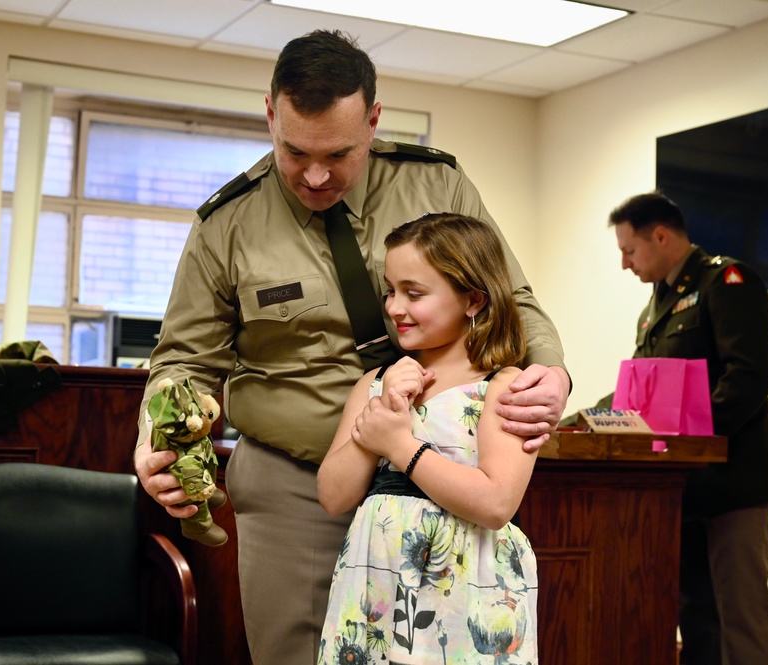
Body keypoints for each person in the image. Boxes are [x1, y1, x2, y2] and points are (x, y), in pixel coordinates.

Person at [134, 29, 570, 664]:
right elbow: (184, 363)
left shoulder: (436, 185)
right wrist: (158, 437)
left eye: (338, 154)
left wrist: (550, 372)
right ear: (269, 115)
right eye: (293, 152)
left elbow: (512, 297)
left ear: (373, 119)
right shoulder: (226, 225)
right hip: (299, 481)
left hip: (441, 481)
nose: (315, 175)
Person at [316, 213, 538, 664]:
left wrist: (399, 445)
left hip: (466, 592)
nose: (395, 307)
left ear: (472, 299)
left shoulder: (504, 387)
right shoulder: (373, 384)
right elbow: (333, 496)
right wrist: (376, 421)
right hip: (375, 584)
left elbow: (497, 504)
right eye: (390, 291)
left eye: (413, 293)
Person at [608, 191, 768, 665]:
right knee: (696, 618)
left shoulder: (726, 281)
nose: (625, 264)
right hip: (682, 487)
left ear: (660, 236)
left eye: (629, 251)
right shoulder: (655, 307)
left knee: (741, 619)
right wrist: (586, 418)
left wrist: (689, 442)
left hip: (735, 481)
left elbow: (749, 376)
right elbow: (640, 390)